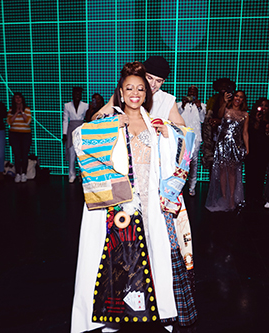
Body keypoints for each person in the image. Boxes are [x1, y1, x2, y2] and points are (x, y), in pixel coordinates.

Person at [71, 62, 197, 333]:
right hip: (119, 202)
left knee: (155, 254)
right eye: (130, 88)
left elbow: (186, 142)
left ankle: (162, 312)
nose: (137, 91)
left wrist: (170, 135)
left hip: (151, 200)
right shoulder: (112, 116)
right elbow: (80, 138)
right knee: (115, 259)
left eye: (142, 87)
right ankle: (110, 316)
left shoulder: (155, 121)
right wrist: (111, 125)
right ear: (120, 91)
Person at [93, 55, 185, 126]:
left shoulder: (167, 101)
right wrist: (111, 121)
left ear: (163, 82)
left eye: (158, 81)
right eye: (149, 78)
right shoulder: (126, 94)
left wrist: (165, 128)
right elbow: (95, 118)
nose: (152, 84)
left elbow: (183, 128)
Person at [205, 90, 249, 212]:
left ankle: (231, 198)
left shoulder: (245, 114)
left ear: (243, 100)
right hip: (222, 144)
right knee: (223, 171)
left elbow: (245, 132)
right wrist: (224, 102)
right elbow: (219, 115)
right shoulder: (226, 110)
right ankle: (224, 197)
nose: (238, 98)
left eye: (240, 97)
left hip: (236, 145)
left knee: (233, 172)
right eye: (236, 96)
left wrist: (247, 148)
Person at [178, 85, 206, 196]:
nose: (192, 93)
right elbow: (175, 117)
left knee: (194, 162)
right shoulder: (179, 105)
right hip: (182, 137)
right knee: (181, 162)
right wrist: (183, 105)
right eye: (190, 91)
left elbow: (203, 120)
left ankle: (192, 187)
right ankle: (179, 186)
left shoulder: (203, 106)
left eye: (194, 91)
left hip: (196, 138)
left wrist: (199, 107)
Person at [244, 98, 269, 205]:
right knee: (250, 175)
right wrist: (256, 120)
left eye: (266, 106)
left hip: (264, 152)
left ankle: (258, 196)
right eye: (262, 105)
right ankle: (249, 197)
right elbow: (249, 133)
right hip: (252, 151)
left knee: (261, 175)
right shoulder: (251, 119)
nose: (264, 108)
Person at [63, 86, 88, 183]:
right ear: (73, 94)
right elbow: (65, 120)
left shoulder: (86, 105)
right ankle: (71, 174)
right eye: (75, 93)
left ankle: (81, 175)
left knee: (82, 154)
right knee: (71, 153)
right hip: (71, 130)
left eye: (79, 93)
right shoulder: (67, 105)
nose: (77, 95)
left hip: (81, 129)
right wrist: (64, 133)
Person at [7, 92, 32, 183]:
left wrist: (22, 112)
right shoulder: (10, 110)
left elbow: (28, 121)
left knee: (24, 154)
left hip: (25, 134)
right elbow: (9, 122)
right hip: (14, 134)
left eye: (19, 97)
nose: (18, 99)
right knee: (17, 154)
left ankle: (24, 174)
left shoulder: (27, 109)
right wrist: (16, 112)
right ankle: (18, 173)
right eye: (16, 98)